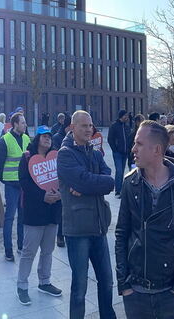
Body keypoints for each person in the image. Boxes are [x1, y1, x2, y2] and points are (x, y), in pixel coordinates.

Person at [116, 120, 174, 318]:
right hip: (136, 292)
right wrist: (124, 284)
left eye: (139, 143)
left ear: (156, 149)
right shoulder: (130, 183)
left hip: (171, 292)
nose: (133, 149)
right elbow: (121, 233)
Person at [58, 110, 117, 319]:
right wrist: (89, 183)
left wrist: (87, 186)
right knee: (80, 287)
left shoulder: (94, 151)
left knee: (107, 281)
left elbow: (109, 179)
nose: (89, 129)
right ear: (72, 128)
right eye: (84, 126)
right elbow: (83, 179)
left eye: (90, 125)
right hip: (77, 229)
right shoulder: (65, 153)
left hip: (99, 226)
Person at [16, 125, 63, 305]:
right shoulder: (27, 158)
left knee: (48, 250)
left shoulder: (56, 157)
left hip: (52, 212)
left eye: (50, 136)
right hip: (34, 212)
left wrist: (59, 194)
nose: (47, 139)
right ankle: (22, 285)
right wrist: (43, 196)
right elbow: (24, 183)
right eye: (43, 136)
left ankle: (45, 281)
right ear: (37, 139)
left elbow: (62, 179)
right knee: (29, 251)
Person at [0, 112, 29, 262]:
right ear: (15, 124)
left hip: (24, 185)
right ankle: (8, 250)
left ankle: (21, 246)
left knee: (23, 217)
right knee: (9, 217)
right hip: (11, 185)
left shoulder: (27, 139)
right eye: (22, 123)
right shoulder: (5, 140)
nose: (25, 125)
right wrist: (5, 180)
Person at [107, 110, 132, 196]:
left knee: (122, 171)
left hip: (125, 152)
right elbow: (110, 139)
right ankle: (118, 190)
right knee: (119, 171)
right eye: (125, 116)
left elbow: (129, 139)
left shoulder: (127, 126)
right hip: (117, 152)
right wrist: (115, 149)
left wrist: (128, 148)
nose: (127, 117)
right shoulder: (114, 126)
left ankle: (121, 189)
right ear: (121, 116)